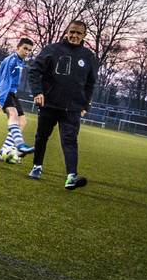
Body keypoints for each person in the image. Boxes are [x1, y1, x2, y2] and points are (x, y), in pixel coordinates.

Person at [26, 20, 96, 189]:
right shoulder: (51, 49)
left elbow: (90, 83)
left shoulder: (88, 56)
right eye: (72, 32)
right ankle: (37, 166)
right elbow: (34, 71)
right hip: (49, 103)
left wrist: (85, 105)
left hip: (72, 108)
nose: (74, 35)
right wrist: (38, 92)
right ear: (66, 32)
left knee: (70, 140)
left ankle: (71, 176)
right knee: (42, 136)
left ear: (84, 36)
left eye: (78, 33)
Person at [0, 37, 36, 161]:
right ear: (18, 47)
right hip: (2, 91)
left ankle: (3, 152)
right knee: (13, 114)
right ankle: (20, 145)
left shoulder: (20, 61)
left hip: (11, 93)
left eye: (29, 50)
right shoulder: (12, 61)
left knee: (22, 122)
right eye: (25, 48)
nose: (27, 52)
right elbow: (6, 80)